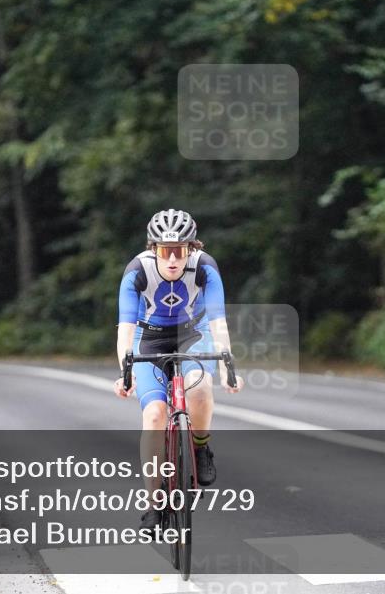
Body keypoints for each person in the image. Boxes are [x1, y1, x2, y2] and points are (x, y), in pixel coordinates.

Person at [113, 209, 240, 530]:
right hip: (149, 339)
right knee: (154, 415)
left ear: (192, 249)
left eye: (180, 251)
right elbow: (125, 330)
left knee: (198, 388)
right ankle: (155, 503)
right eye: (164, 251)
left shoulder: (205, 268)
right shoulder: (136, 271)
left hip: (193, 335)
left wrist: (227, 364)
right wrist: (125, 370)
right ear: (153, 249)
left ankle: (199, 448)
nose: (172, 260)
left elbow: (218, 321)